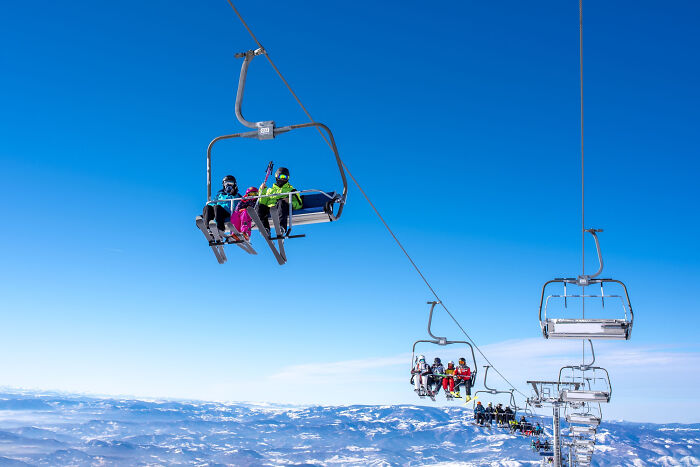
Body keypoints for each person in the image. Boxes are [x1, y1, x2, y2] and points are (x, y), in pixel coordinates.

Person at [256, 167, 303, 235]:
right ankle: (265, 229)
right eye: (282, 176)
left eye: (285, 177)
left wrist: (289, 201)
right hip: (270, 208)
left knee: (281, 202)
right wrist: (262, 190)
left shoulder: (292, 190)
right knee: (259, 207)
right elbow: (263, 202)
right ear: (277, 176)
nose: (283, 179)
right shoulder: (270, 190)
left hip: (281, 208)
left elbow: (299, 204)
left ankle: (281, 227)